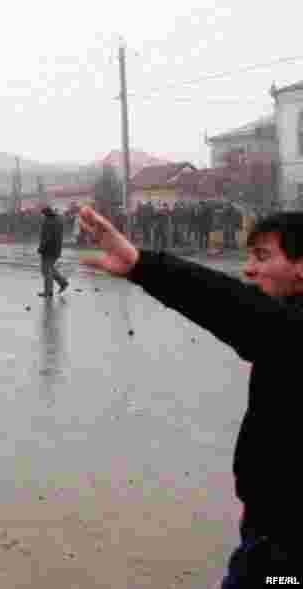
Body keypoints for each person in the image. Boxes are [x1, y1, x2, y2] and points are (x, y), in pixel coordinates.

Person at [78, 205, 302, 587]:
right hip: (267, 533)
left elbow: (236, 308)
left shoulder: (288, 331)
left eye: (263, 256)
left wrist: (141, 264)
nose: (249, 268)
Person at [37, 206, 69, 297]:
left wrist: (41, 248)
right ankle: (63, 282)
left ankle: (48, 291)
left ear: (46, 214)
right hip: (56, 249)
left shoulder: (48, 222)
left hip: (48, 250)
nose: (42, 216)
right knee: (50, 268)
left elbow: (47, 237)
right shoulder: (58, 220)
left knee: (46, 270)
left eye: (43, 214)